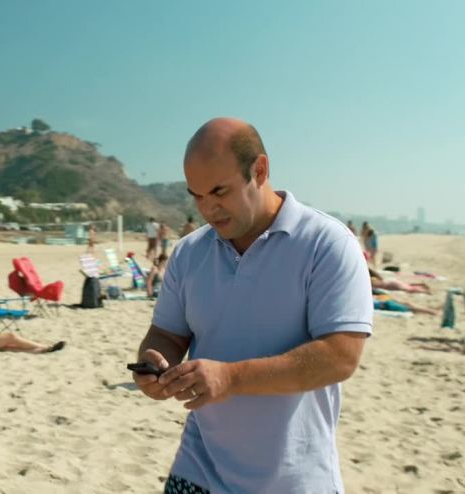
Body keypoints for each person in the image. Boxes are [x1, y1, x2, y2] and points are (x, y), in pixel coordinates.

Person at [131, 118, 372, 493]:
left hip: (293, 480)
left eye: (219, 191)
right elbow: (167, 334)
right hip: (198, 470)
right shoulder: (189, 252)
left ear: (259, 170)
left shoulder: (326, 244)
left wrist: (231, 378)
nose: (208, 208)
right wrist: (155, 361)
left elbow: (341, 357)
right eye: (197, 196)